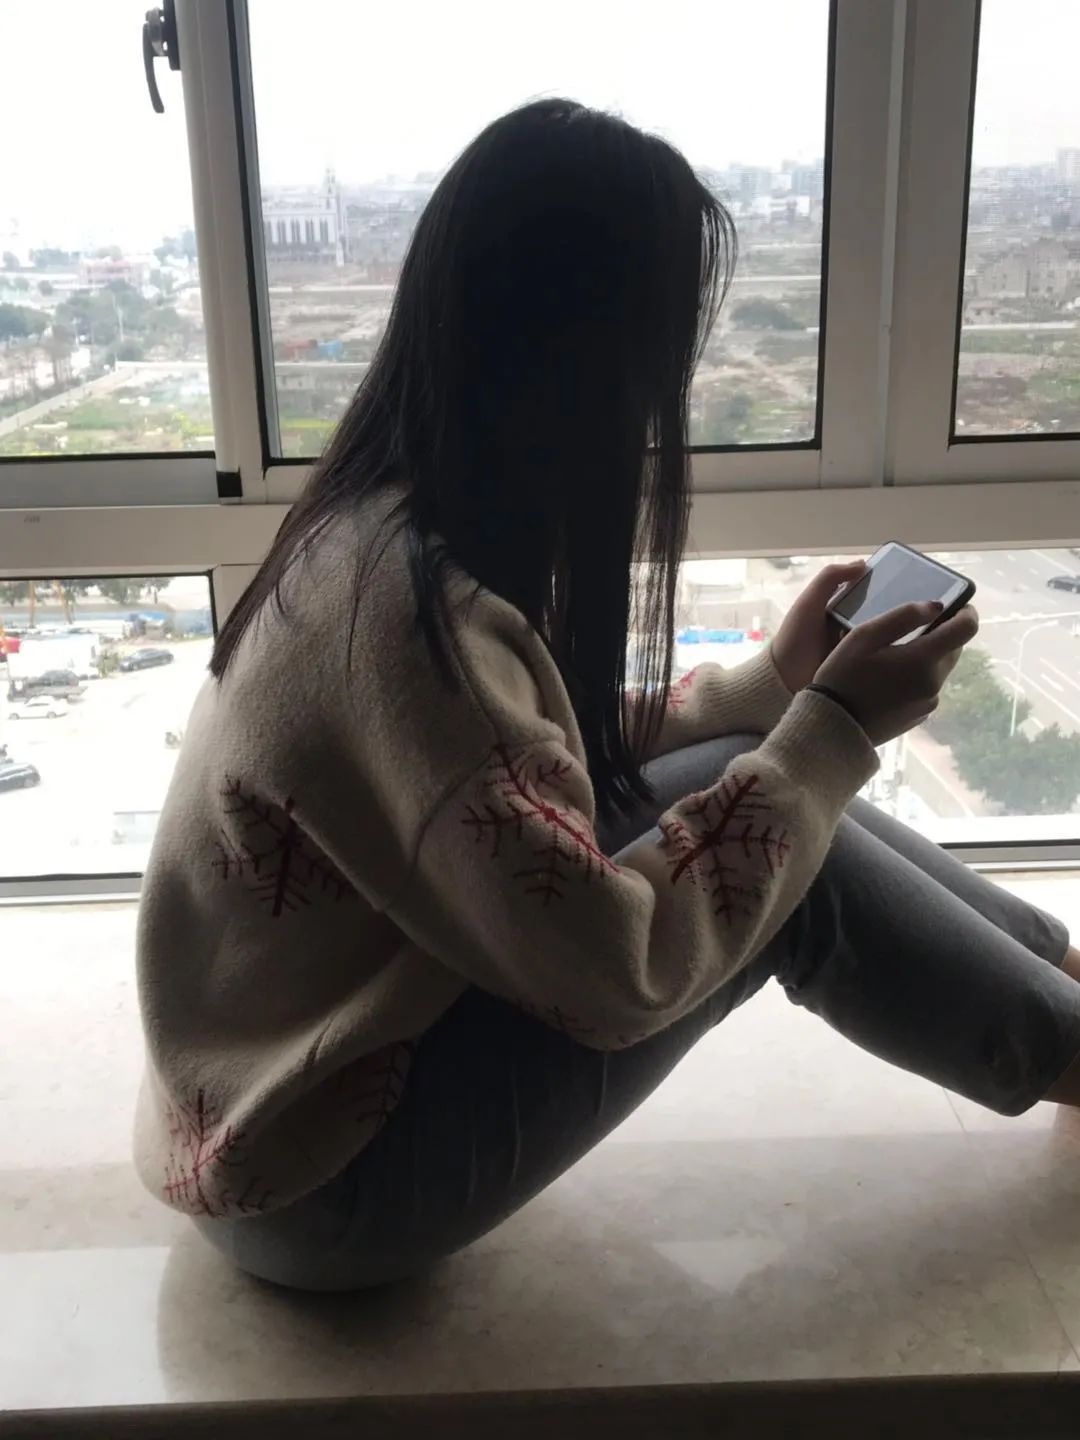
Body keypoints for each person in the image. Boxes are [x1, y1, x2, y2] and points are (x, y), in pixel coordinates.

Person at [134, 99, 1080, 1292]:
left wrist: (776, 691)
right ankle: (1067, 1036)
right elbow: (618, 974)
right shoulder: (408, 623)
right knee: (780, 841)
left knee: (756, 789)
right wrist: (831, 731)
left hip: (271, 1113)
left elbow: (510, 762)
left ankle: (1058, 984)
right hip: (326, 1186)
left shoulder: (379, 530)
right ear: (583, 362)